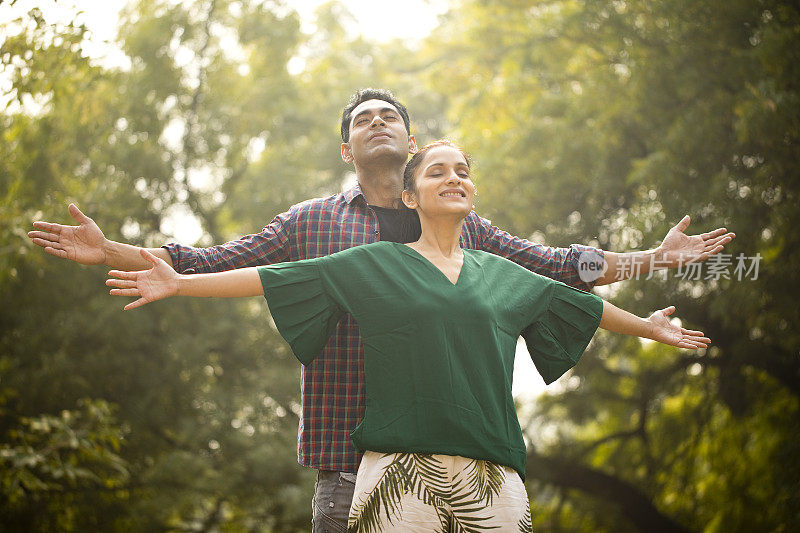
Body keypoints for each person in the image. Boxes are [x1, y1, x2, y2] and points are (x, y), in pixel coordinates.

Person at [28, 89, 733, 531]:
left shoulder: (465, 227)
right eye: (362, 119)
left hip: (462, 460)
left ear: (412, 142)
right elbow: (210, 263)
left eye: (389, 114)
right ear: (347, 148)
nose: (376, 123)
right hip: (350, 467)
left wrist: (654, 260)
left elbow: (558, 269)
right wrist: (113, 249)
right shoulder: (313, 223)